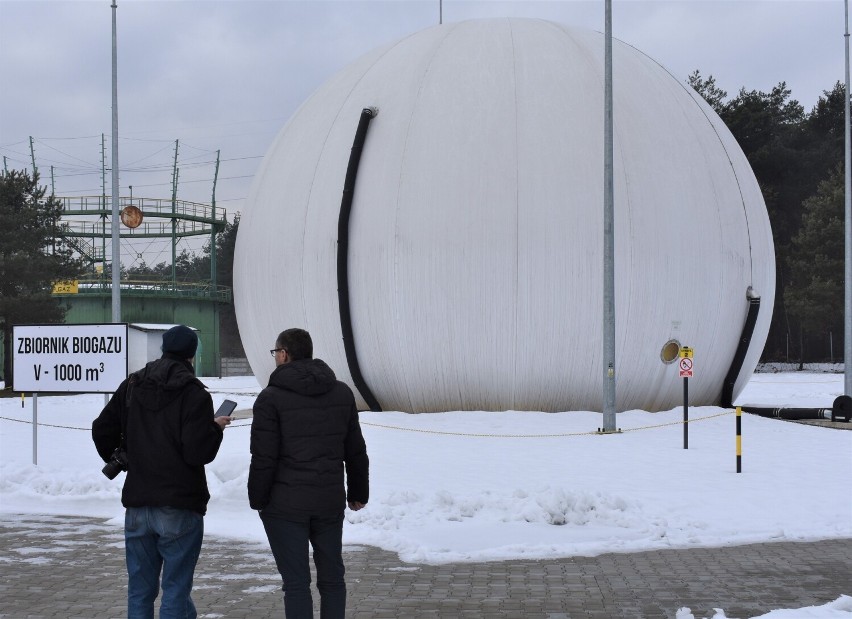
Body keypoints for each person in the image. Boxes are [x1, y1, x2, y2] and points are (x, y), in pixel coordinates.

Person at [92, 324, 231, 619]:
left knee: (140, 590)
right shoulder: (194, 393)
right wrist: (215, 429)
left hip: (138, 505)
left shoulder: (132, 384)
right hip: (179, 504)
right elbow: (198, 452)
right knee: (176, 589)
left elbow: (101, 429)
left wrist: (125, 459)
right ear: (191, 355)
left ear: (163, 348)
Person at [248, 328, 369, 619]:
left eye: (276, 351)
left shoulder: (270, 398)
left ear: (285, 354)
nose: (275, 357)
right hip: (328, 501)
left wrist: (258, 499)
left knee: (296, 583)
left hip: (285, 505)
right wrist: (358, 493)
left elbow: (264, 457)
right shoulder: (341, 392)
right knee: (332, 578)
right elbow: (355, 448)